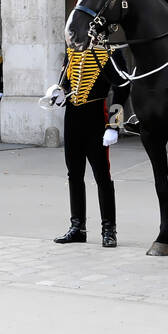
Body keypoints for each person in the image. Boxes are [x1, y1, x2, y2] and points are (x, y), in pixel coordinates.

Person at [42, 42, 131, 247]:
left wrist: (114, 124)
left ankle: (109, 229)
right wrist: (59, 93)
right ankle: (77, 228)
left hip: (96, 118)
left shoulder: (110, 51)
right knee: (74, 174)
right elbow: (66, 81)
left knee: (102, 175)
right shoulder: (72, 51)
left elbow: (123, 87)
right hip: (72, 117)